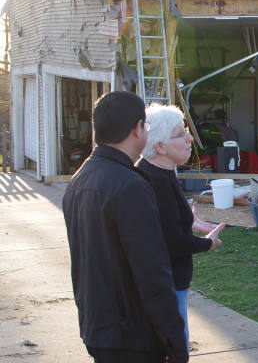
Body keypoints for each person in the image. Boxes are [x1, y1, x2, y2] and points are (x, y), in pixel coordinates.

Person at [62, 91, 188, 363]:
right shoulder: (130, 186)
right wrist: (175, 342)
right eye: (146, 126)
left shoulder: (80, 178)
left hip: (99, 328)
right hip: (132, 336)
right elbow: (152, 273)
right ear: (138, 129)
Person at [137, 104, 225, 349]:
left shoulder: (160, 173)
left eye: (186, 131)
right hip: (166, 286)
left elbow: (167, 224)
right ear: (160, 147)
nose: (189, 139)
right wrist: (208, 242)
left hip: (168, 283)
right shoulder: (155, 181)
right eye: (180, 134)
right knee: (175, 349)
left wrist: (188, 220)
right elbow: (173, 242)